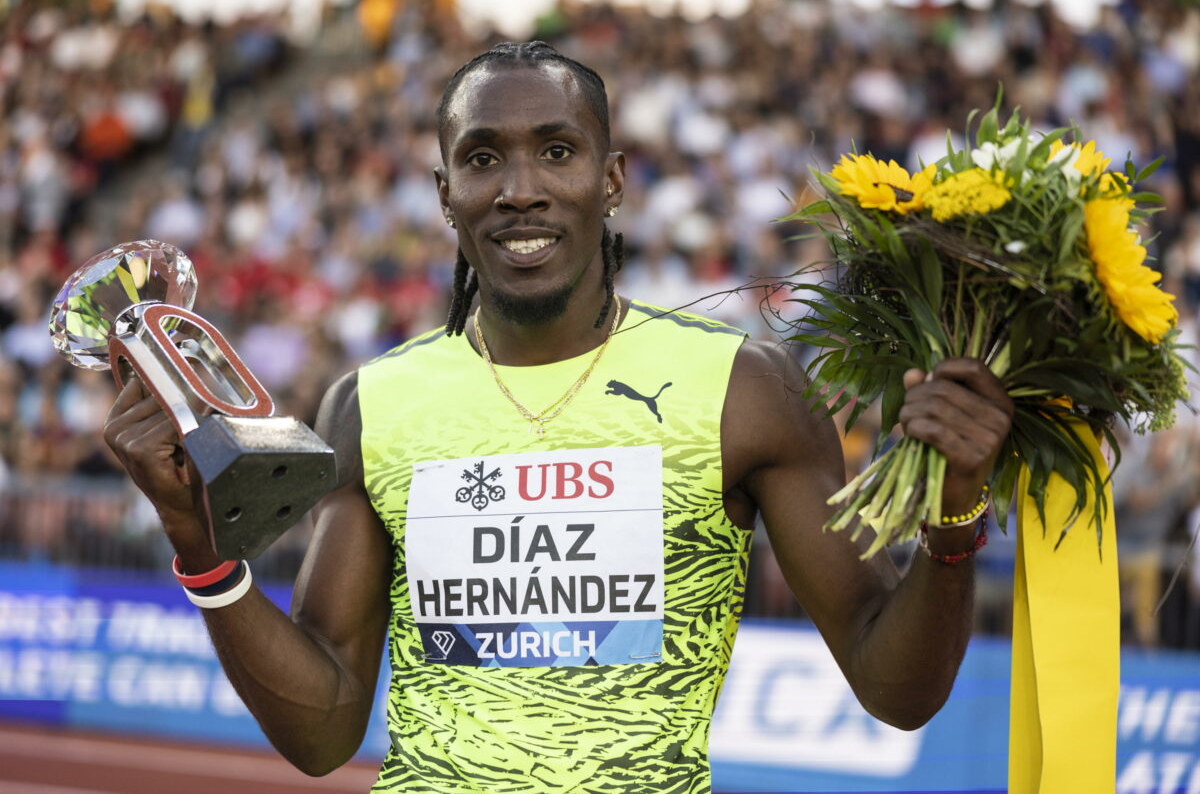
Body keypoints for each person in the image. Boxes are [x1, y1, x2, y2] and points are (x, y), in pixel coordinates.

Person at [103, 42, 1014, 793]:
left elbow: (894, 686)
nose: (520, 189)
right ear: (444, 192)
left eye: (558, 150)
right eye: (483, 157)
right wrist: (198, 545)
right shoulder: (371, 405)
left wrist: (954, 515)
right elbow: (325, 733)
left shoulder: (745, 390)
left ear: (612, 178)